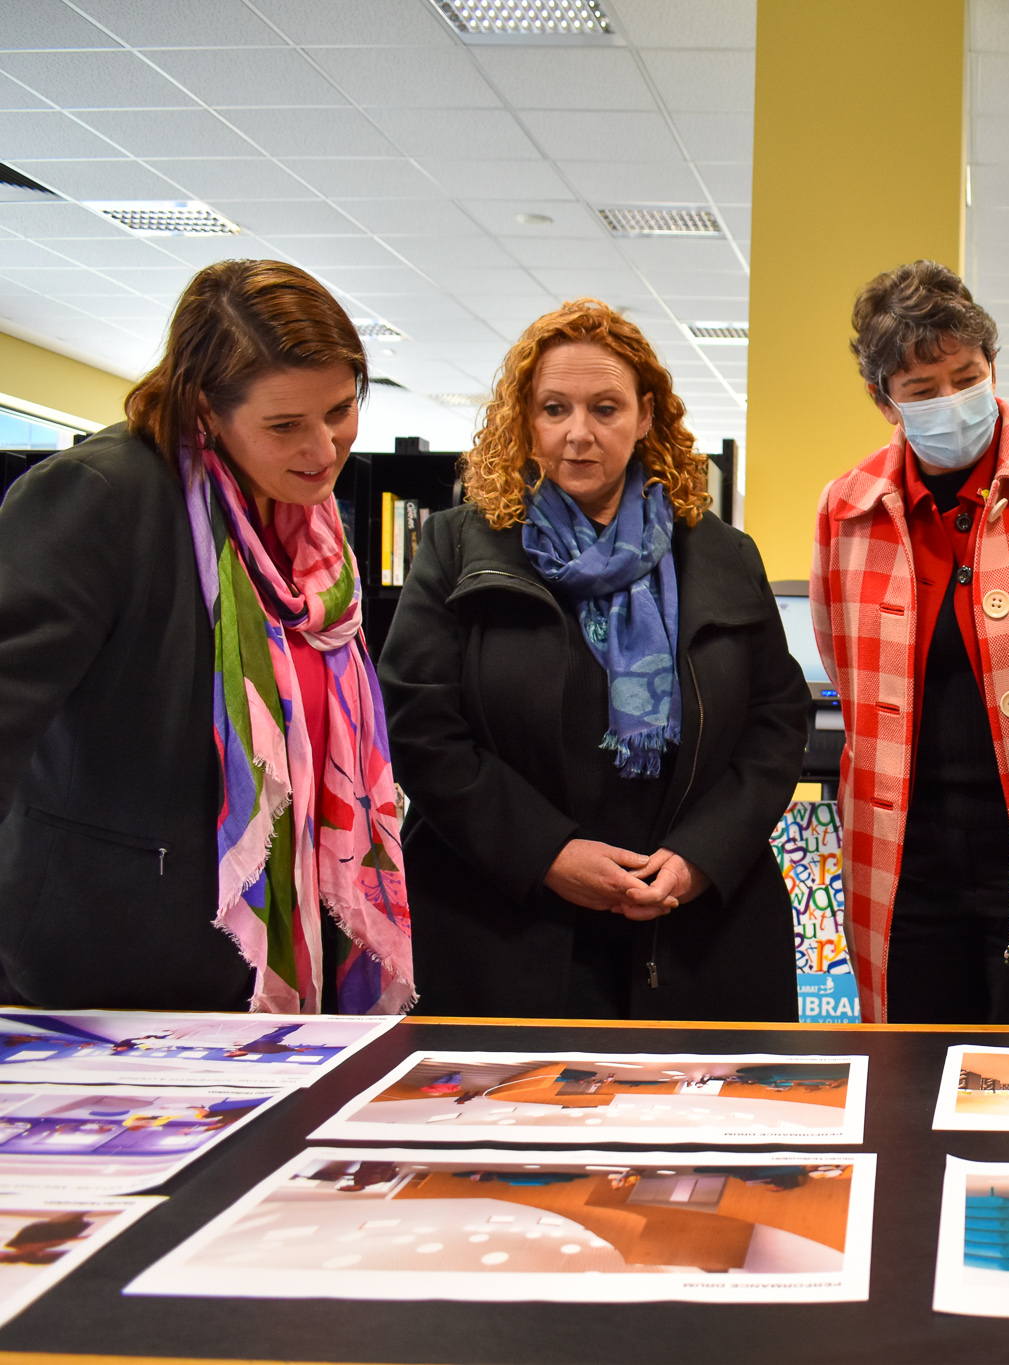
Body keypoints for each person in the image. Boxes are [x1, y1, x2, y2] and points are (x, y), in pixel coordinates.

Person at [0, 259, 412, 1014]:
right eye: (284, 425)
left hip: (261, 973)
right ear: (204, 408)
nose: (324, 450)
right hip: (111, 965)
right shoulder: (104, 496)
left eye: (339, 410)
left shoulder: (308, 528)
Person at [379, 298, 807, 1019]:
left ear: (645, 417)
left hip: (695, 937)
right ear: (526, 418)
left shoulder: (722, 555)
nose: (579, 434)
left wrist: (702, 856)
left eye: (605, 408)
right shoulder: (460, 546)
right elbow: (419, 725)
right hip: (504, 930)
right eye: (555, 408)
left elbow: (775, 721)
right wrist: (547, 853)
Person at [811, 262, 1009, 1024]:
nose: (951, 400)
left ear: (992, 367)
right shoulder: (845, 509)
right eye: (922, 390)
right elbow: (843, 667)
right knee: (916, 1071)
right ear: (884, 401)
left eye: (966, 375)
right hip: (907, 857)